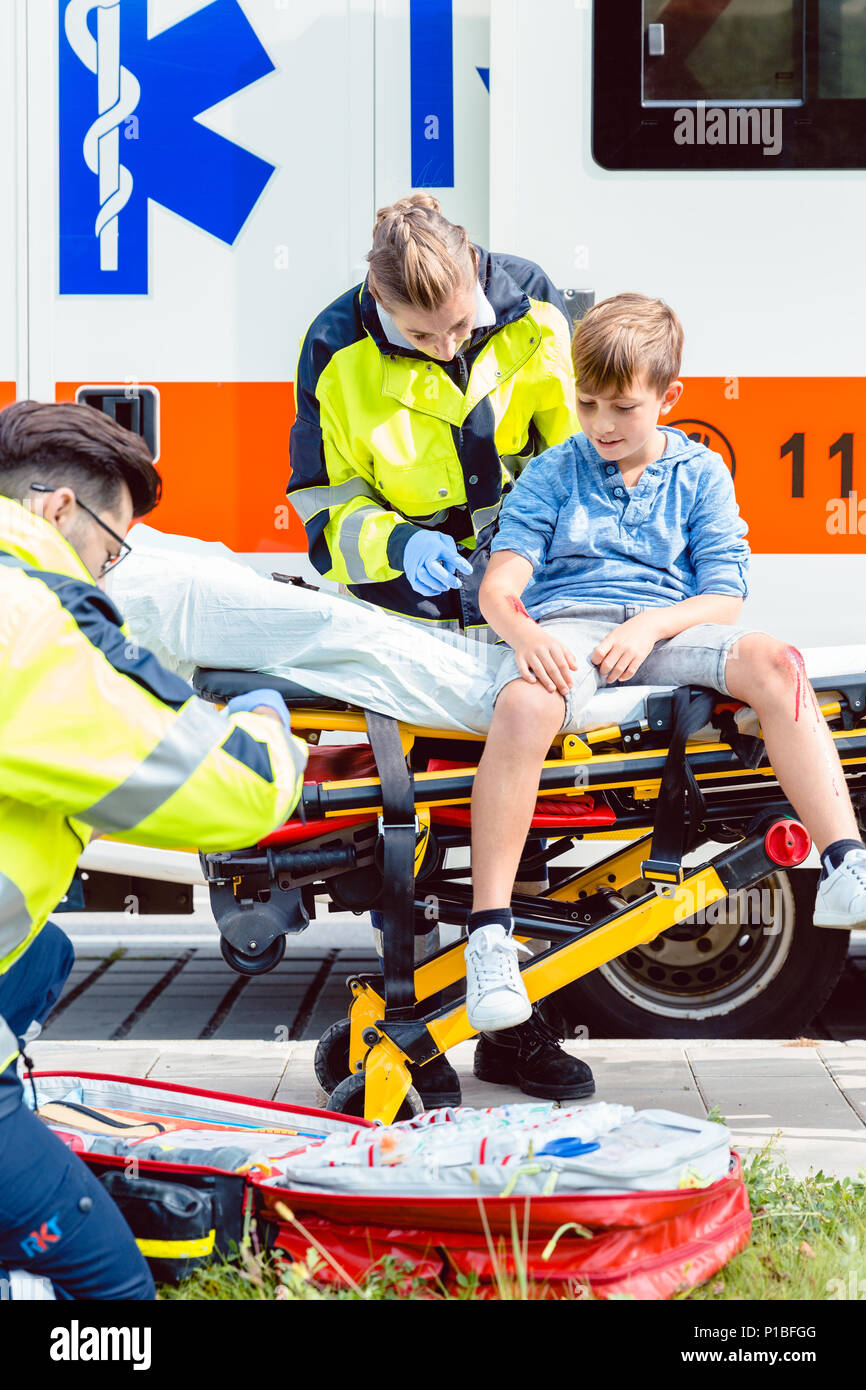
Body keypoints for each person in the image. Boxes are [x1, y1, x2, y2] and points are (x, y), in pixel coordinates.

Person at [466, 292, 866, 1094]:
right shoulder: (552, 472)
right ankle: (488, 939)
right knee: (523, 703)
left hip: (668, 629)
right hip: (571, 626)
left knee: (774, 662)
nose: (601, 423)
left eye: (623, 407)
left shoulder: (700, 471)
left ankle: (846, 862)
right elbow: (501, 588)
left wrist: (650, 629)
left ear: (669, 398)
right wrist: (528, 636)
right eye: (586, 404)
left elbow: (724, 595)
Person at [0, 400, 309, 1300]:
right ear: (57, 509)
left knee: (44, 952)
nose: (111, 567)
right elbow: (233, 791)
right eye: (112, 541)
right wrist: (261, 722)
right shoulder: (37, 622)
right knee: (114, 1293)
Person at [287, 193, 585, 1105]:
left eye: (459, 326)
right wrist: (398, 546)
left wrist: (520, 553)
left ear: (476, 282)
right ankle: (419, 1034)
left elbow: (577, 455)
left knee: (534, 800)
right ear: (379, 304)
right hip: (403, 611)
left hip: (527, 589)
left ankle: (519, 1030)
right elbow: (324, 509)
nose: (449, 347)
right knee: (408, 823)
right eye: (421, 337)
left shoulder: (533, 308)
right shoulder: (335, 347)